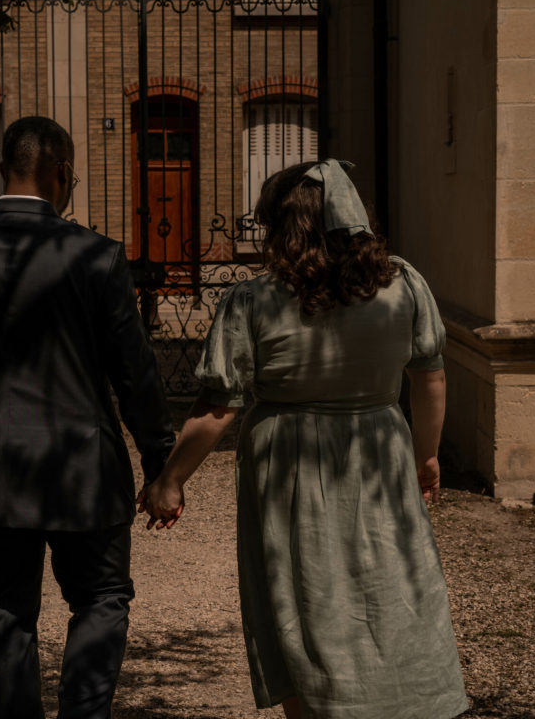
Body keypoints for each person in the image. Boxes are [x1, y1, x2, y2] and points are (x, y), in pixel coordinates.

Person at [142, 160, 468, 719]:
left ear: (280, 227)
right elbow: (430, 376)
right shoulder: (403, 284)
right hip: (382, 448)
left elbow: (220, 409)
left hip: (290, 459)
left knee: (302, 592)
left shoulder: (253, 301)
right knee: (389, 584)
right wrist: (426, 456)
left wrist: (170, 481)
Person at [0, 116, 175, 719]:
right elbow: (134, 373)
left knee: (5, 613)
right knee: (102, 596)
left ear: (6, 169)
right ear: (62, 173)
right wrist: (160, 460)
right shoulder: (97, 257)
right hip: (83, 466)